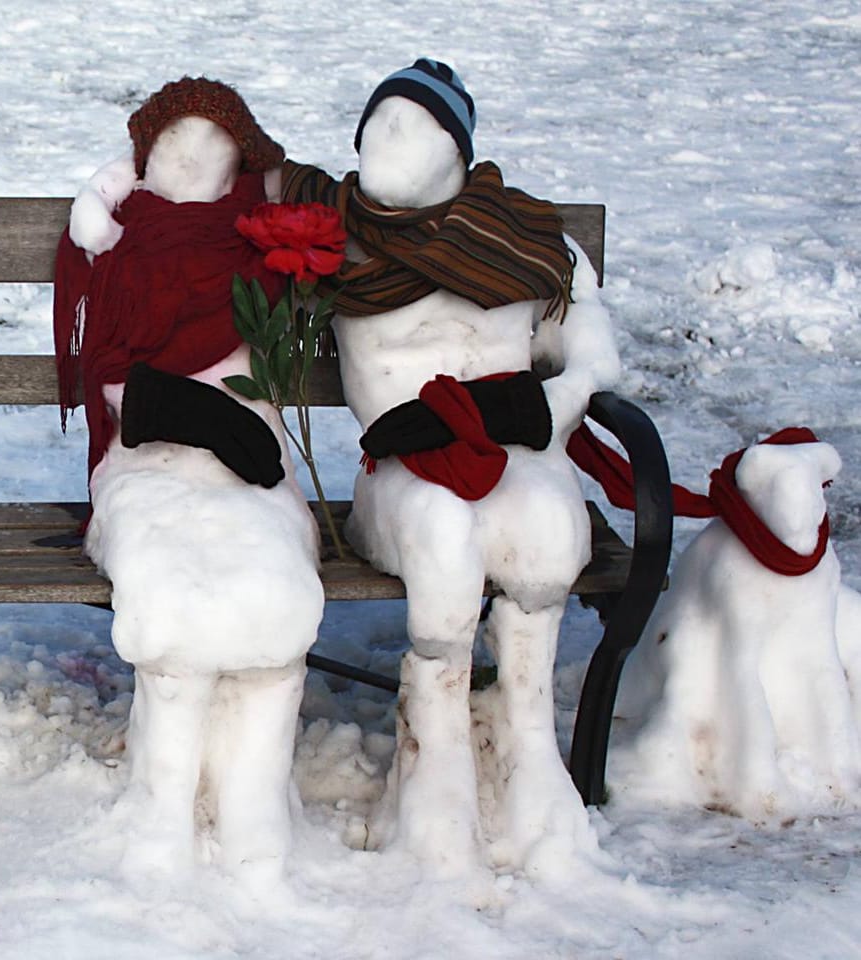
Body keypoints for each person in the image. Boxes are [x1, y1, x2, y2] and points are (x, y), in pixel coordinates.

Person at [277, 59, 621, 874]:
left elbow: (592, 353)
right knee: (440, 532)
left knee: (541, 527)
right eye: (375, 123)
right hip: (398, 464)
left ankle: (528, 756)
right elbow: (231, 171)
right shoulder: (332, 232)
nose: (385, 140)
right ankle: (433, 771)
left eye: (414, 123)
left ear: (457, 145)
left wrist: (543, 406)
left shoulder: (528, 241)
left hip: (515, 445)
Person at [56, 77, 324, 879]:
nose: (192, 163)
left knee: (275, 591)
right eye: (174, 148)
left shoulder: (258, 244)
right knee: (170, 589)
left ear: (238, 165)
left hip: (253, 462)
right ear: (144, 158)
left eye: (213, 151)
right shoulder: (125, 245)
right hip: (146, 456)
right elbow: (109, 373)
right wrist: (185, 412)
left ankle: (254, 812)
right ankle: (163, 806)